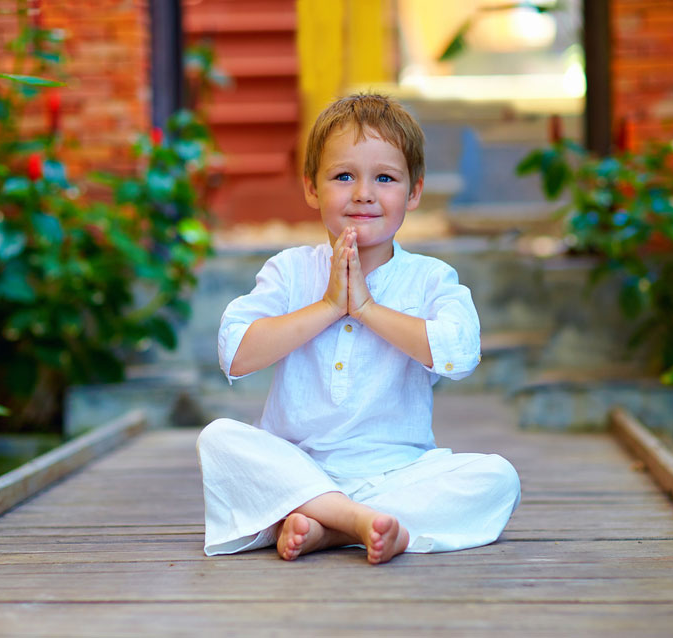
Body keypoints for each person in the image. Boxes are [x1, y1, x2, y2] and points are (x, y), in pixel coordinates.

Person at [197, 93, 520, 565]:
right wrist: (331, 305)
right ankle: (357, 522)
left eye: (385, 178)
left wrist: (366, 308)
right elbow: (235, 352)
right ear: (311, 188)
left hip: (397, 472)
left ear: (413, 193)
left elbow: (459, 353)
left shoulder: (429, 279)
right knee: (220, 438)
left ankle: (327, 529)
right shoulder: (289, 272)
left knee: (498, 478)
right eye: (344, 176)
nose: (363, 193)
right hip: (298, 467)